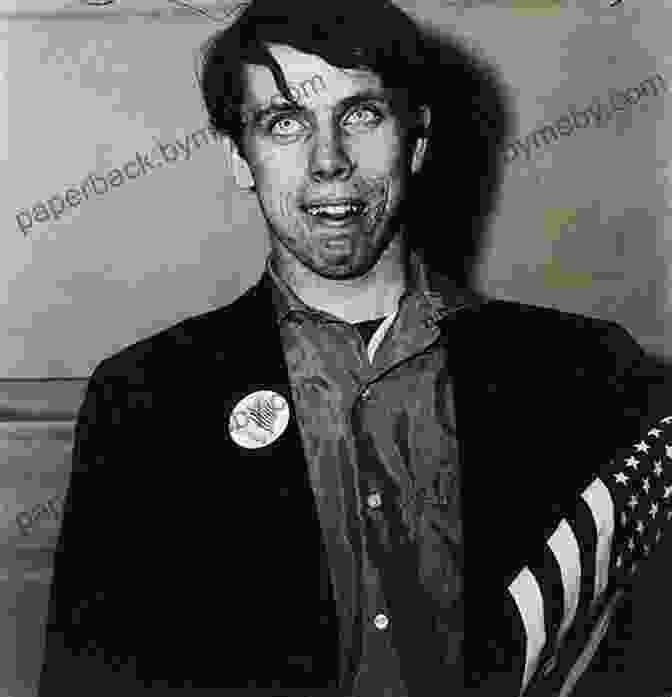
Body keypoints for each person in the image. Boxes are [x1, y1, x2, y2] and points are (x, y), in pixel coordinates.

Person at [38, 0, 671, 695]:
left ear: (418, 138)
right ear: (239, 157)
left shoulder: (587, 376)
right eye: (285, 123)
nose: (329, 161)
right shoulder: (144, 401)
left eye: (362, 115)